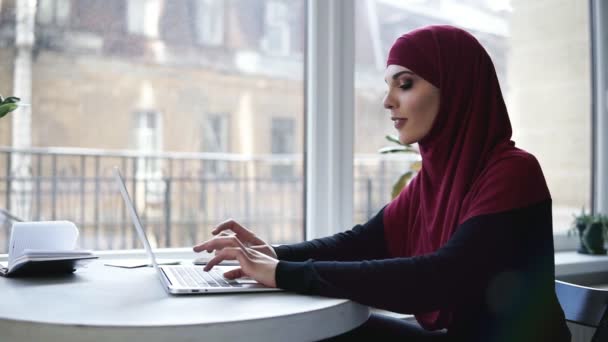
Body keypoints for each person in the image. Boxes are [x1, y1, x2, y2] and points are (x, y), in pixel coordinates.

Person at [193, 25, 571, 342]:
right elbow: (361, 242)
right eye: (389, 86)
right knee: (320, 332)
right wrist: (273, 254)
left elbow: (439, 277)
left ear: (455, 90)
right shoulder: (433, 180)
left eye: (404, 84)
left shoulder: (513, 172)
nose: (388, 101)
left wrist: (281, 273)